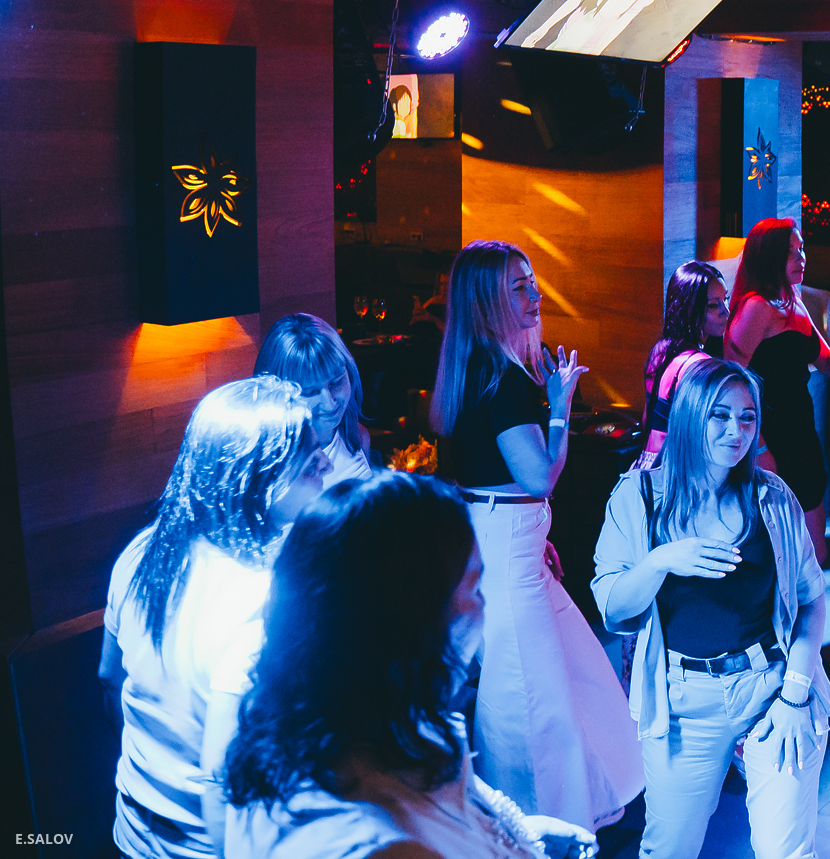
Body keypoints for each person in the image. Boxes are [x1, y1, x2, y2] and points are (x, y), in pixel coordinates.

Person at [224, 472, 599, 859]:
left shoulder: (350, 726)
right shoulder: (377, 845)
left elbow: (449, 822)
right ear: (411, 620)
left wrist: (519, 835)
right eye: (473, 587)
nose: (483, 606)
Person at [430, 239, 643, 829]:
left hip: (509, 542)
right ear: (487, 300)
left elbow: (497, 484)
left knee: (570, 675)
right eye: (519, 286)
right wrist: (560, 405)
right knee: (528, 695)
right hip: (505, 553)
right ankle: (532, 826)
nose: (535, 295)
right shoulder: (499, 379)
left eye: (532, 281)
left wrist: (530, 533)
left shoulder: (486, 368)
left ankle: (564, 810)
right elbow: (540, 477)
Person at [593, 357, 830, 859]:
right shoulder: (638, 496)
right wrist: (662, 560)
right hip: (682, 700)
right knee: (669, 850)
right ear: (689, 416)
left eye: (748, 417)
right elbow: (614, 611)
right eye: (720, 416)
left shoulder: (772, 497)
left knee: (788, 853)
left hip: (771, 688)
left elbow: (812, 599)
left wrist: (795, 694)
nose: (736, 431)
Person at [99, 376, 331, 859]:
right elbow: (222, 779)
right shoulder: (259, 600)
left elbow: (108, 678)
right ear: (262, 478)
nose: (327, 465)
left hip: (132, 828)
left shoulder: (140, 553)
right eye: (311, 462)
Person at [724, 218, 830, 564]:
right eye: (790, 252)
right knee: (777, 554)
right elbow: (731, 382)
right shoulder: (756, 307)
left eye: (801, 249)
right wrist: (759, 446)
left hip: (801, 434)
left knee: (814, 554)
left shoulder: (793, 301)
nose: (801, 258)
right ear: (769, 258)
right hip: (769, 438)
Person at [255, 313, 375, 488]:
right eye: (310, 392)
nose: (330, 403)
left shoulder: (357, 435)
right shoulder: (268, 465)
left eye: (336, 382)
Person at [643, 261, 730, 469]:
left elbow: (649, 418)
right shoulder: (701, 365)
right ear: (689, 310)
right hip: (679, 470)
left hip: (649, 463)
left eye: (725, 299)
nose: (725, 312)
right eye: (713, 305)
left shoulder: (660, 351)